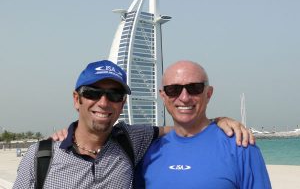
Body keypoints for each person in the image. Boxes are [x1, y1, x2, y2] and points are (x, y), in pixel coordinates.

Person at [13, 60, 253, 188]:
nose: (104, 102)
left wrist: (219, 121)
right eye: (93, 93)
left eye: (115, 95)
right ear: (77, 99)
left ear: (123, 103)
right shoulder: (41, 157)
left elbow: (183, 126)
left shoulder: (131, 141)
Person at [134, 60, 271, 189]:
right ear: (163, 96)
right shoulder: (148, 151)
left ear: (209, 93)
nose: (184, 98)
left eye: (194, 88)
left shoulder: (240, 146)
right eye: (173, 90)